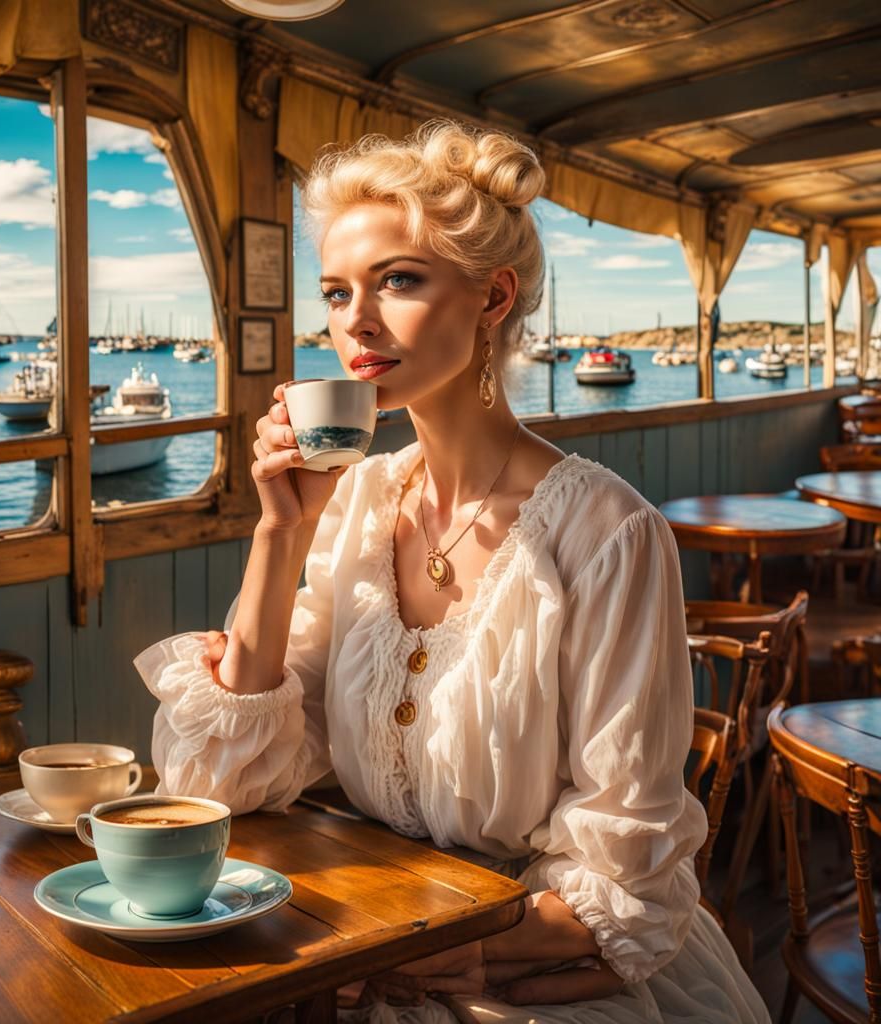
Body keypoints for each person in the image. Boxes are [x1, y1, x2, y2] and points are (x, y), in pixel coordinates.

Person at [135, 121, 770, 1024]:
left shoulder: (608, 533)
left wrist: (447, 953)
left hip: (515, 949)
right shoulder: (358, 502)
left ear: (493, 296)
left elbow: (623, 855)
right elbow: (221, 785)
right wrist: (280, 531)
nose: (356, 320)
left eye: (397, 280)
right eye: (337, 291)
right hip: (370, 920)